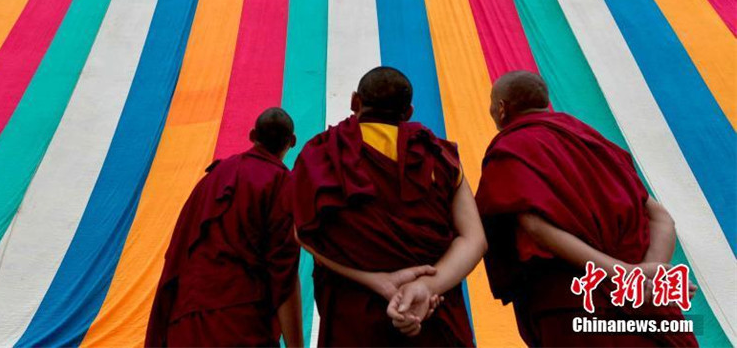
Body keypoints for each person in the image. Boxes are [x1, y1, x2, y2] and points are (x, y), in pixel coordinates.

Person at [476, 71, 698, 347]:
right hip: (647, 304)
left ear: (501, 108)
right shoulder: (593, 140)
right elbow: (662, 217)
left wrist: (624, 274)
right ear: (546, 103)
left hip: (576, 303)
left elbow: (534, 227)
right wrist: (646, 275)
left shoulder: (512, 148)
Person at [290, 67, 483, 347]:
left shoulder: (322, 155)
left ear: (355, 101)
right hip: (431, 311)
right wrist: (426, 286)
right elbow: (474, 239)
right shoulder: (439, 156)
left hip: (355, 318)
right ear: (408, 112)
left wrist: (378, 280)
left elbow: (302, 233)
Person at [146, 107, 303, 347]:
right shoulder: (282, 183)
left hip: (185, 320)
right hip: (241, 325)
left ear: (252, 135)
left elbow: (176, 253)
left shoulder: (211, 179)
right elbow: (284, 274)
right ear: (291, 141)